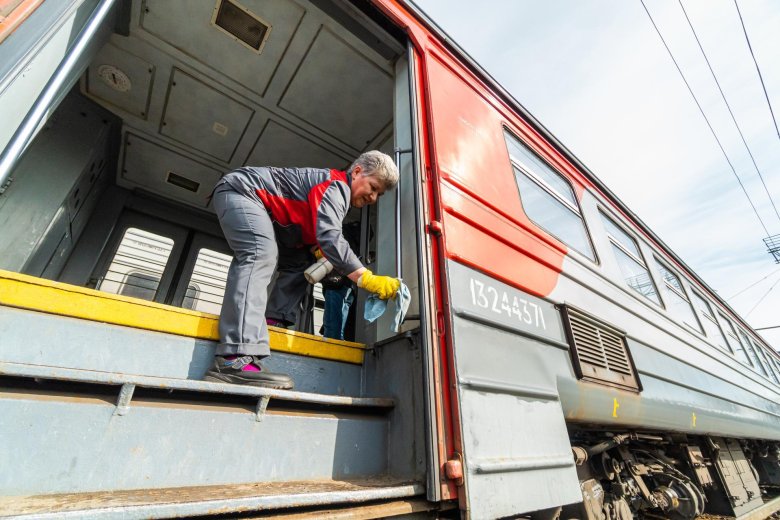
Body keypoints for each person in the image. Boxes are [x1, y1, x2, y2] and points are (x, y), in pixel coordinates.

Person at [204, 151, 400, 389]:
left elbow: (317, 234)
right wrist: (365, 278)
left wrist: (318, 251)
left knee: (303, 262)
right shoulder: (336, 185)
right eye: (373, 187)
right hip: (242, 192)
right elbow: (330, 236)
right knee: (260, 254)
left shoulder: (338, 196)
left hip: (273, 218)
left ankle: (272, 320)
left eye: (379, 194)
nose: (374, 197)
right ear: (357, 171)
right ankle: (233, 357)